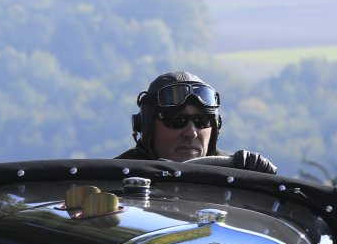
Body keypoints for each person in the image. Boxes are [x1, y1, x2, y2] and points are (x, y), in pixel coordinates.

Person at [115, 71, 277, 173]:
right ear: (147, 127)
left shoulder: (238, 173)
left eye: (202, 121)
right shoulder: (113, 178)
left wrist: (255, 175)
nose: (191, 133)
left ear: (216, 127)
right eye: (177, 121)